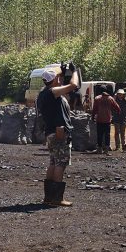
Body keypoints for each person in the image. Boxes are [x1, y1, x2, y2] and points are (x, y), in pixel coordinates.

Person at [35, 64, 81, 207]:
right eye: (58, 77)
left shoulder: (43, 93)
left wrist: (62, 69)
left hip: (50, 132)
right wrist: (74, 71)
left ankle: (48, 197)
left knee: (53, 162)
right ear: (53, 80)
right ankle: (57, 198)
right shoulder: (52, 92)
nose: (60, 79)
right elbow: (74, 85)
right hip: (59, 131)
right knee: (60, 163)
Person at [92, 86, 118, 154]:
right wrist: (114, 114)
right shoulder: (110, 98)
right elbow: (117, 108)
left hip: (99, 120)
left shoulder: (97, 98)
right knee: (107, 135)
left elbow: (94, 109)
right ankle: (106, 149)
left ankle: (99, 149)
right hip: (107, 120)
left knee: (99, 135)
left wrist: (92, 117)